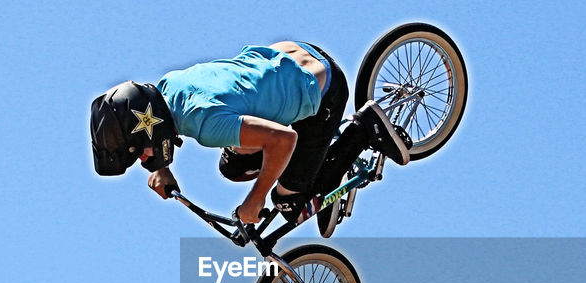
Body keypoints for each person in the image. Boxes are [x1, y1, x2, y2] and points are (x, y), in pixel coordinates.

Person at [89, 40, 410, 230]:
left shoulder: (205, 124)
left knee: (288, 203)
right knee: (233, 167)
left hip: (322, 90)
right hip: (291, 53)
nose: (145, 158)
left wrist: (255, 201)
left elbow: (284, 140)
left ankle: (363, 129)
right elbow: (156, 129)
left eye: (140, 153)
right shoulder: (167, 88)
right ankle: (314, 170)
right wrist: (161, 167)